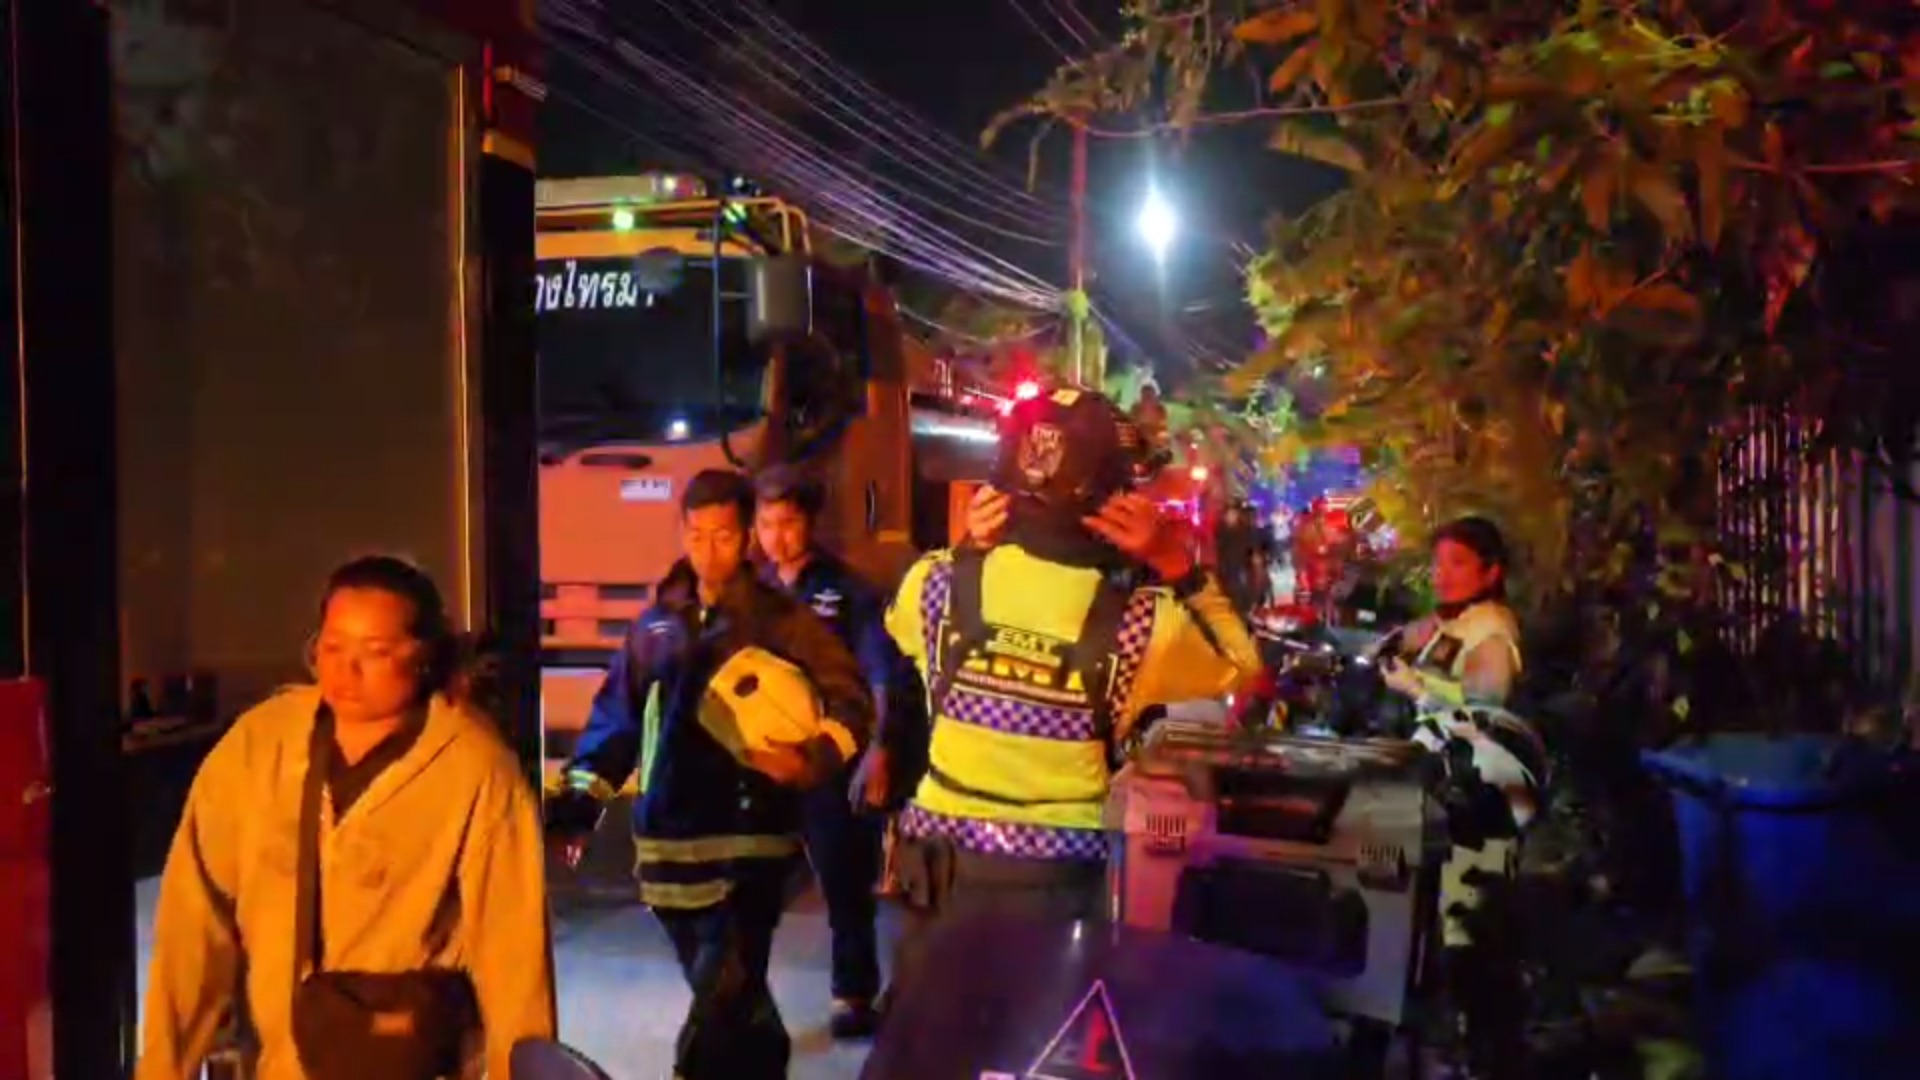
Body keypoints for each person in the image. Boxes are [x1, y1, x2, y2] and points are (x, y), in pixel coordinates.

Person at [882, 389, 1260, 1012]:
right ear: (1112, 497)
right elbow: (1242, 667)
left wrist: (970, 547)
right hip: (1055, 887)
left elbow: (899, 624)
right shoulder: (1146, 622)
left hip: (938, 879)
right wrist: (1176, 564)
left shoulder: (936, 583)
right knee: (1036, 1045)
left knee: (933, 1039)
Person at [139, 556, 556, 1080]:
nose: (345, 670)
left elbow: (515, 957)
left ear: (424, 657)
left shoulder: (475, 770)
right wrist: (164, 1067)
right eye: (333, 647)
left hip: (407, 1061)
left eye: (374, 652)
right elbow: (193, 926)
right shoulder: (259, 748)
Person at [548, 468, 875, 1080]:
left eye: (722, 535)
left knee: (722, 993)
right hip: (667, 845)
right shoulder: (655, 628)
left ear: (747, 536)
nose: (708, 550)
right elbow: (616, 722)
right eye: (696, 535)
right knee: (734, 999)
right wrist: (578, 806)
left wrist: (813, 758)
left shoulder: (784, 623)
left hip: (751, 844)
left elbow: (852, 700)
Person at [1374, 515, 1545, 1074]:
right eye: (1438, 562)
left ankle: (1487, 1056)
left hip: (1480, 803)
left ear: (1490, 572)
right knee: (1442, 928)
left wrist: (1418, 690)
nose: (1442, 574)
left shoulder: (1491, 631)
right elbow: (1410, 637)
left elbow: (1487, 708)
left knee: (1470, 935)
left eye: (1458, 563)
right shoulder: (1455, 620)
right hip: (1444, 794)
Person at [751, 464, 899, 1038]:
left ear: (810, 522)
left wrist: (878, 748)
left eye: (788, 523)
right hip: (764, 763)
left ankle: (853, 995)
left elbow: (879, 675)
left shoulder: (849, 592)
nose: (777, 537)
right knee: (750, 887)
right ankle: (742, 1000)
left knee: (844, 881)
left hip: (830, 763)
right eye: (766, 524)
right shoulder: (750, 591)